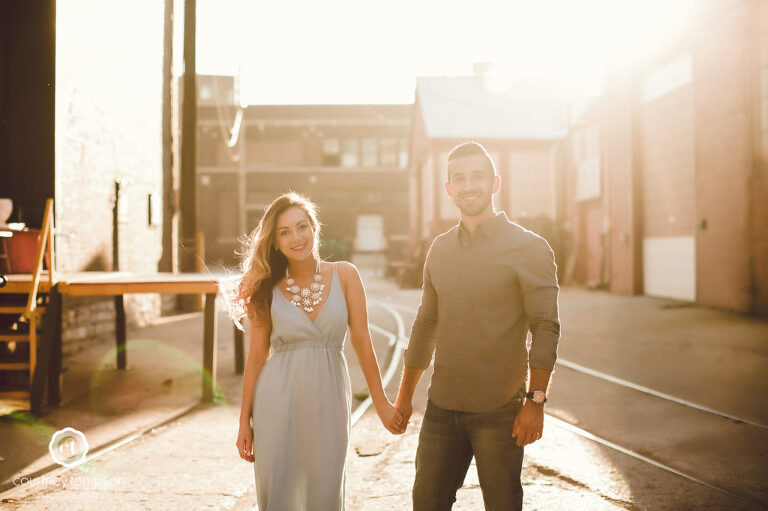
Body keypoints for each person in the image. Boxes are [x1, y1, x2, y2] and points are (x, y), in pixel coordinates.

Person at [393, 142, 561, 510]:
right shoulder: (439, 249)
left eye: (478, 177)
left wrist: (536, 400)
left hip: (499, 410)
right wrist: (405, 397)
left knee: (502, 505)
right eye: (460, 178)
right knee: (426, 502)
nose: (469, 186)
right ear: (449, 187)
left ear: (495, 183)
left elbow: (545, 327)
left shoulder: (530, 248)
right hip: (441, 407)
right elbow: (426, 324)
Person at [231, 192, 403, 511]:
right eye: (284, 232)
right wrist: (244, 421)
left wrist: (382, 403)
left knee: (326, 491)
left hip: (330, 400)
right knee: (279, 491)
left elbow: (362, 341)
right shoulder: (266, 289)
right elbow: (256, 357)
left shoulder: (346, 275)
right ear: (275, 243)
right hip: (276, 402)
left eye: (302, 226)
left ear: (314, 228)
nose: (296, 237)